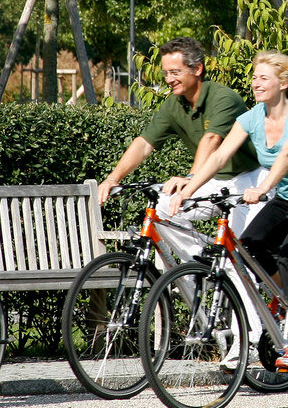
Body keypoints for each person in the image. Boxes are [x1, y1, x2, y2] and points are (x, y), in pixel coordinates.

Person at [170, 51, 288, 369]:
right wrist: (188, 189)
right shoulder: (251, 118)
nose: (255, 83)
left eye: (263, 77)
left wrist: (262, 189)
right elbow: (219, 157)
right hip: (287, 198)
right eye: (253, 77)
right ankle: (286, 300)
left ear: (284, 83)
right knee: (248, 247)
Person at [99, 37, 266, 256]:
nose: (169, 79)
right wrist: (113, 178)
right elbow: (144, 143)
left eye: (175, 72)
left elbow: (212, 140)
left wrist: (190, 178)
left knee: (236, 258)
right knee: (164, 209)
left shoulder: (224, 98)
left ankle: (232, 278)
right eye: (166, 73)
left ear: (197, 69)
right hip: (213, 180)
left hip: (248, 179)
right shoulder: (173, 104)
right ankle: (194, 271)